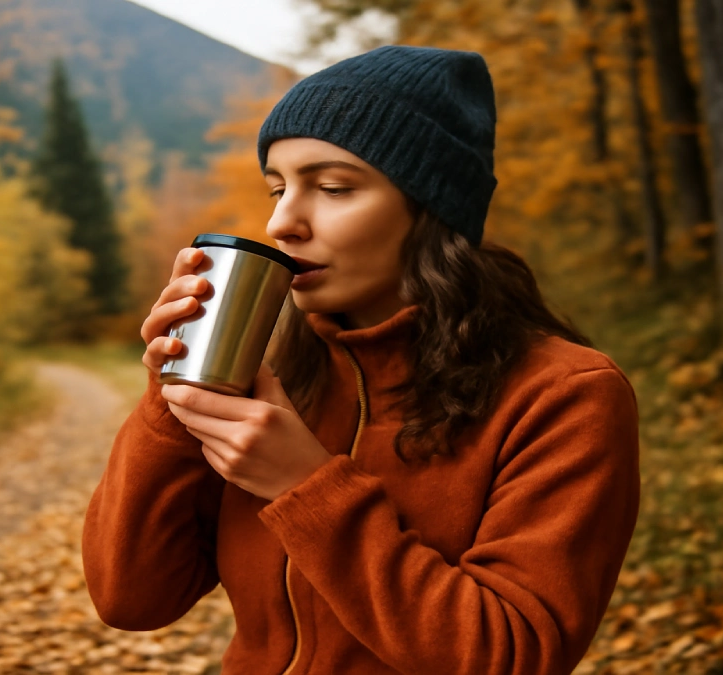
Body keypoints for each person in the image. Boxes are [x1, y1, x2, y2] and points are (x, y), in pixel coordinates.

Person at [82, 45, 640, 675]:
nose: (282, 221)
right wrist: (171, 391)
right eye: (277, 187)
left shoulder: (565, 395)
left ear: (431, 208)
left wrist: (305, 487)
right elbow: (130, 599)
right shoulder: (277, 380)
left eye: (333, 188)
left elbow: (508, 655)